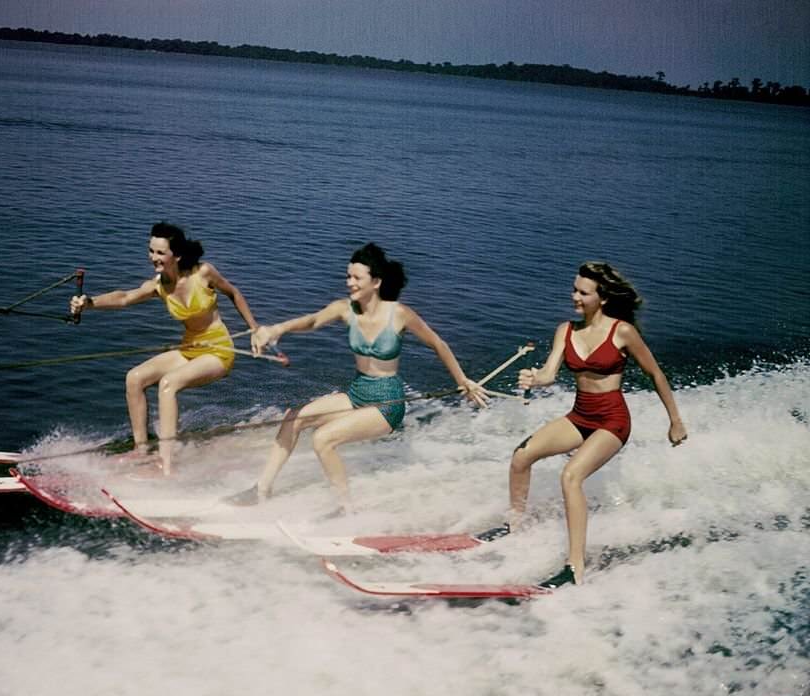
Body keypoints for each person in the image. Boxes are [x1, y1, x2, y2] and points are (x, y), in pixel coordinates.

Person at [240, 242, 489, 509]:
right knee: (294, 418)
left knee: (323, 439)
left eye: (357, 278)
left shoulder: (400, 314)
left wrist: (462, 380)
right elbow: (312, 321)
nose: (350, 283)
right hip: (358, 392)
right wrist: (276, 329)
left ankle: (346, 509)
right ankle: (261, 490)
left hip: (386, 403)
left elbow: (438, 344)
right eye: (348, 276)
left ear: (376, 282)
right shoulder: (345, 309)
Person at [510, 261, 687, 587]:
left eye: (582, 292)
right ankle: (514, 525)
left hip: (612, 421)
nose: (574, 296)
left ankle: (574, 568)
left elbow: (655, 373)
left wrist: (675, 420)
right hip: (580, 416)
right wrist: (535, 379)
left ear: (602, 298)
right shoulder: (566, 330)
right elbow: (549, 374)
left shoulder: (622, 331)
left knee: (571, 476)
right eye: (574, 289)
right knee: (521, 456)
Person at [70, 222, 260, 470]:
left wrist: (255, 330)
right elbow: (125, 297)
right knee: (134, 378)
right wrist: (90, 302)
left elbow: (233, 293)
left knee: (168, 384)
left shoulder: (203, 273)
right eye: (151, 251)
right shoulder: (159, 286)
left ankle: (166, 464)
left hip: (218, 351)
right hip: (190, 348)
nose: (153, 258)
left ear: (176, 255)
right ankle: (141, 451)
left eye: (160, 253)